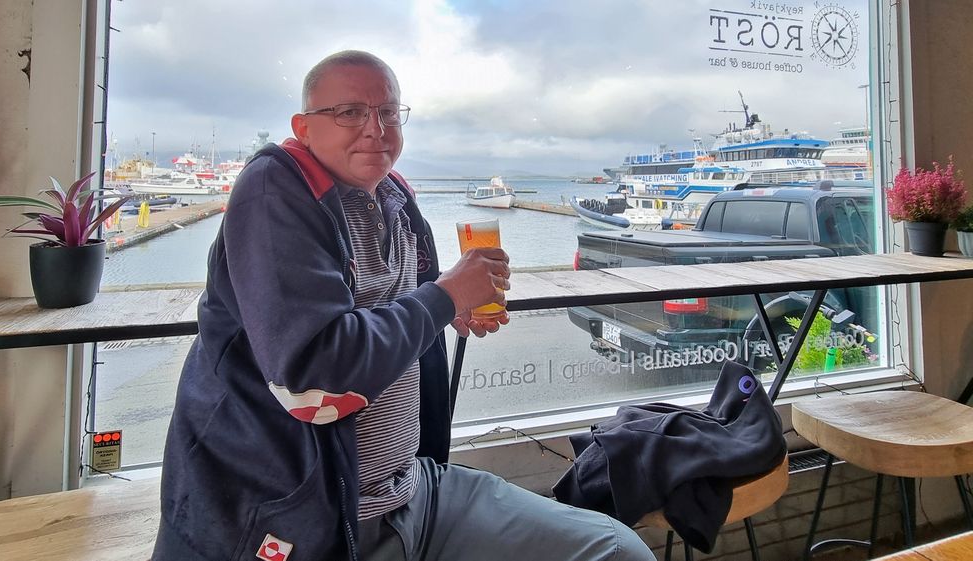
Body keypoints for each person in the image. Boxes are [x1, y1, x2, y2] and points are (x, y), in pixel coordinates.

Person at [153, 50, 655, 561]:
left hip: (413, 486)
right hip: (296, 516)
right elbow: (313, 376)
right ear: (304, 128)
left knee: (617, 552)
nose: (375, 128)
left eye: (388, 112)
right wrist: (446, 296)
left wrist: (443, 309)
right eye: (349, 112)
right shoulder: (273, 193)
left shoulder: (394, 198)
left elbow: (403, 310)